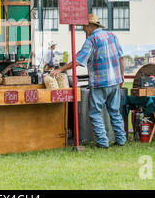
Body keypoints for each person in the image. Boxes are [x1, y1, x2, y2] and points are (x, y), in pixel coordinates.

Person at [51, 14, 126, 148]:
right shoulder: (112, 36)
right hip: (115, 81)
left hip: (100, 83)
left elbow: (79, 60)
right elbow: (121, 58)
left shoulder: (92, 40)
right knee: (114, 111)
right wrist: (121, 76)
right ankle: (121, 140)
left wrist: (60, 69)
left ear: (90, 26)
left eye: (84, 28)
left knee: (95, 113)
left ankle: (103, 142)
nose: (83, 30)